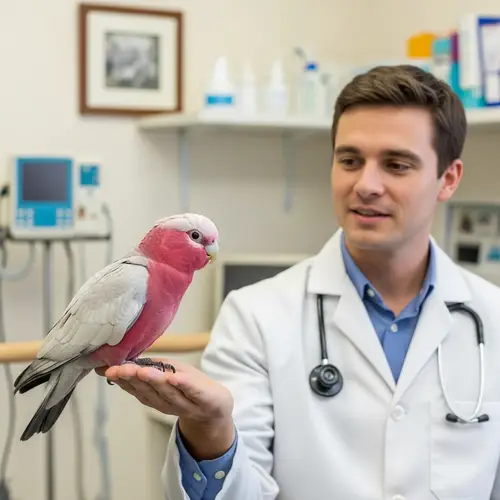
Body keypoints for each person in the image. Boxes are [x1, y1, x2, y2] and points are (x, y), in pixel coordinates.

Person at [100, 65, 500, 500]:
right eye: (349, 160)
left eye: (396, 164)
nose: (365, 185)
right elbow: (241, 492)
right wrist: (211, 429)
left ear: (449, 178)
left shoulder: (492, 316)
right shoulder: (255, 316)